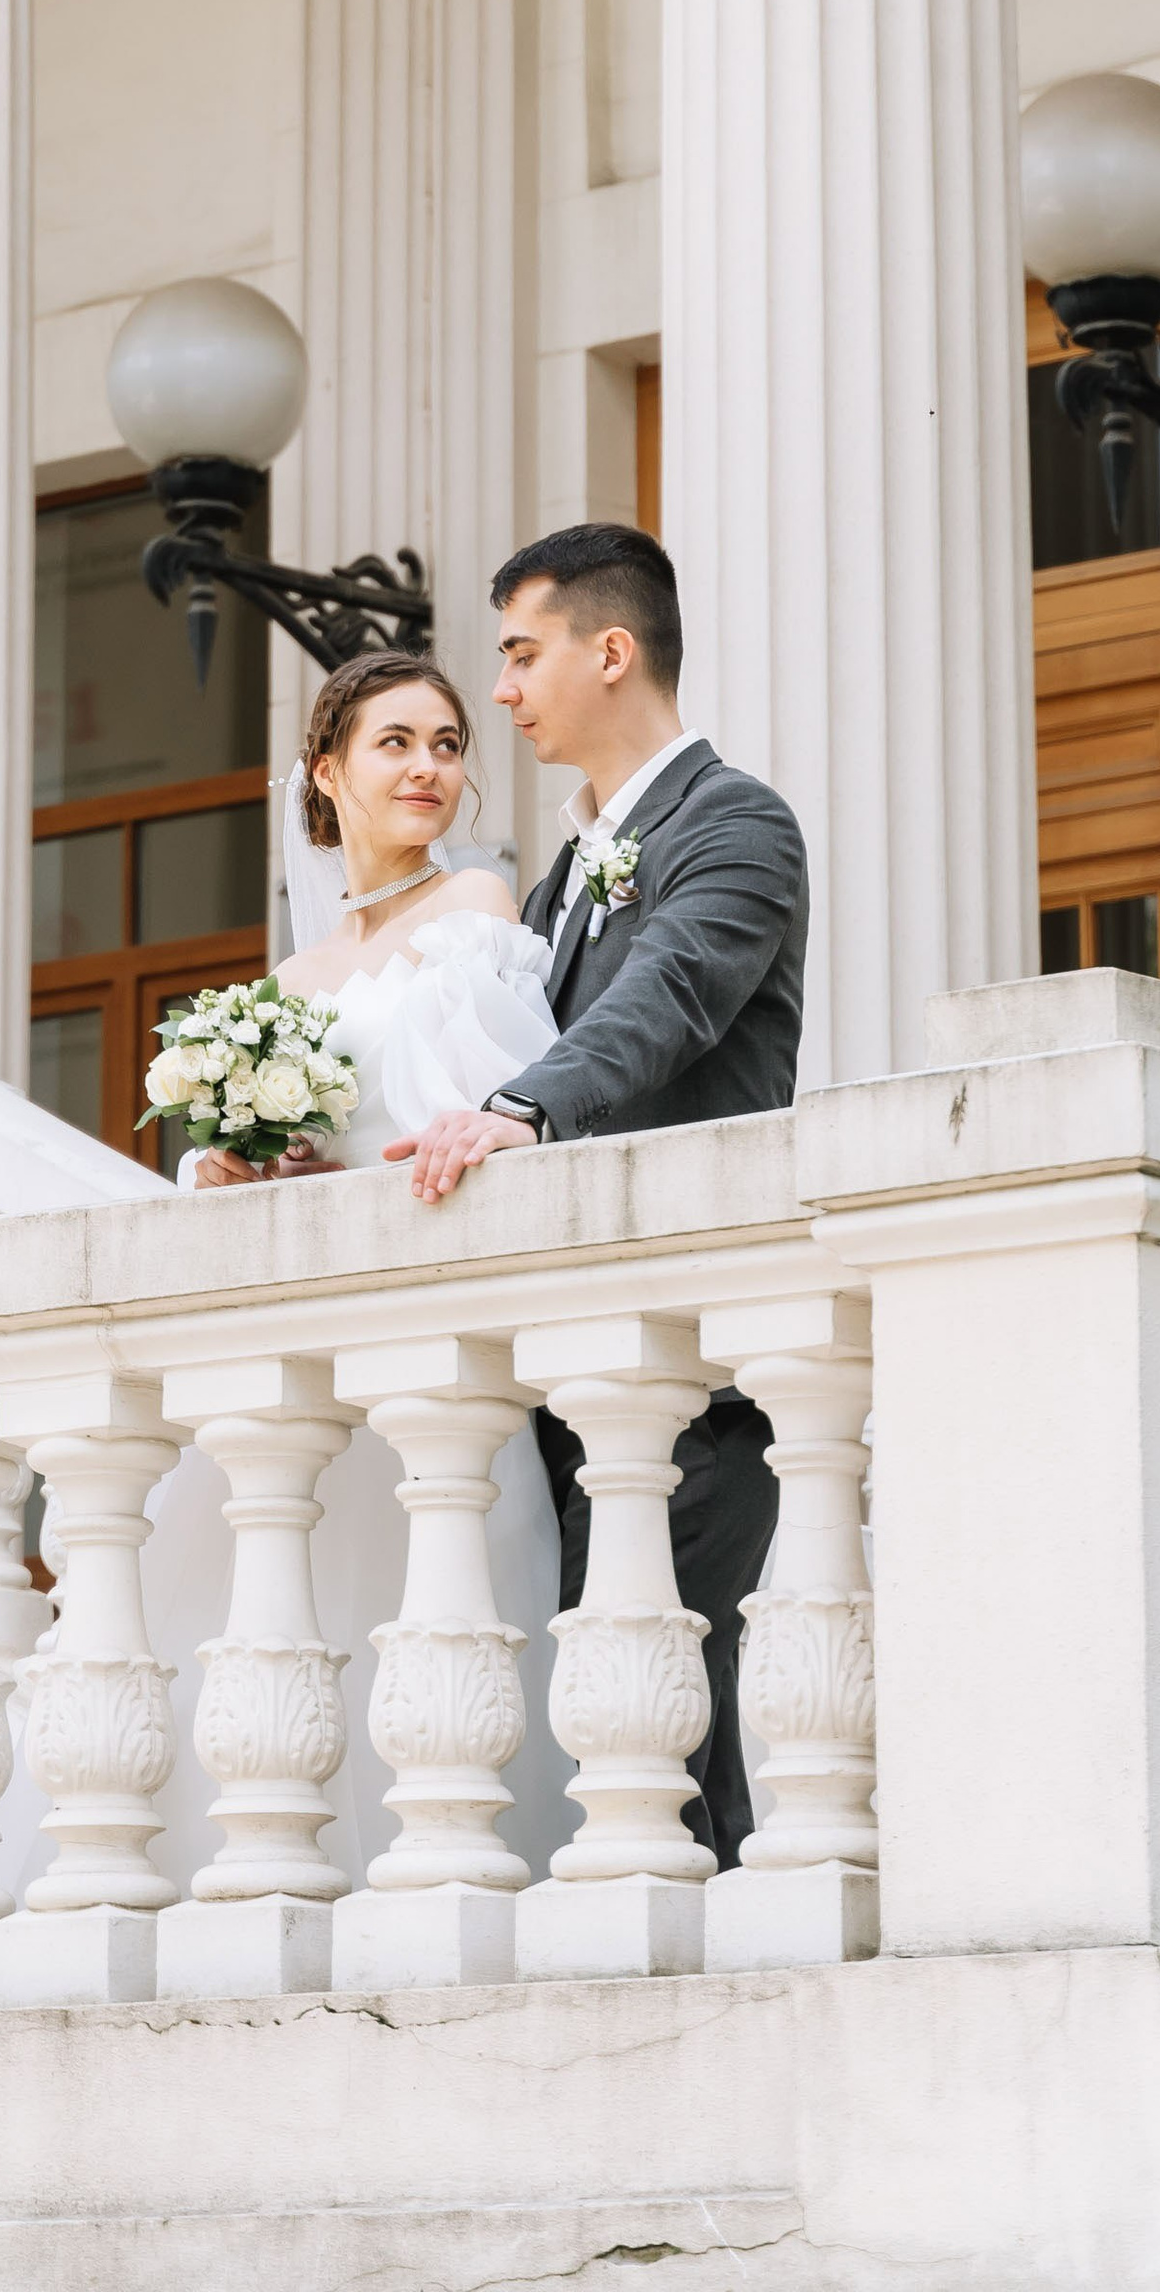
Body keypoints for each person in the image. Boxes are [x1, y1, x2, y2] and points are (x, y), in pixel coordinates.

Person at [389, 520, 807, 1868]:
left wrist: (522, 1109)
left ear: (610, 650)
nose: (500, 691)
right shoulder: (568, 871)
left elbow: (669, 997)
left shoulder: (738, 822)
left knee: (698, 1770)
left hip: (693, 1379)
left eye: (521, 654)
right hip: (575, 1382)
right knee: (610, 1763)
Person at [182, 647, 557, 1184]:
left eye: (446, 746)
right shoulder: (289, 981)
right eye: (395, 742)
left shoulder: (470, 903)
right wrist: (252, 1169)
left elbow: (504, 1107)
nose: (427, 768)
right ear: (328, 772)